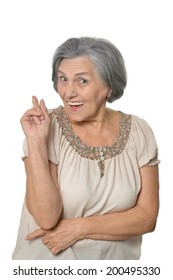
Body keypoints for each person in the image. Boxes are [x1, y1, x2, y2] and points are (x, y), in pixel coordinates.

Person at [12, 37, 160, 260]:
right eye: (63, 79)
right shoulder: (45, 127)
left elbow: (147, 218)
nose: (68, 92)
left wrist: (78, 228)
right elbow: (47, 217)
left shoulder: (140, 132)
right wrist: (36, 143)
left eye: (82, 81)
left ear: (108, 87)